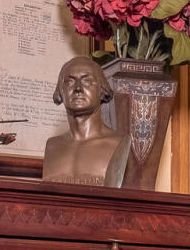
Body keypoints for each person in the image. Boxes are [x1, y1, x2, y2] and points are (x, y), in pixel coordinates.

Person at [42, 56, 129, 188]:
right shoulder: (52, 146)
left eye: (87, 81)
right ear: (60, 90)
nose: (78, 88)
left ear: (102, 90)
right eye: (70, 82)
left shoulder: (118, 143)